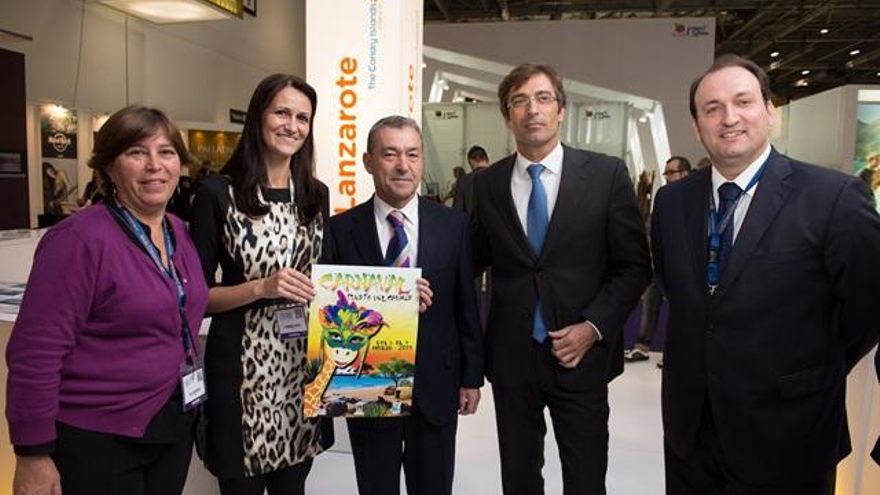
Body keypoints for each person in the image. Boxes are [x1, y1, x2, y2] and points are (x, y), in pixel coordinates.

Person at [651, 54, 880, 495]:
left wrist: (807, 366)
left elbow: (868, 308)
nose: (729, 118)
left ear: (770, 111)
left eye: (743, 101)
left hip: (789, 432)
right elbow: (679, 294)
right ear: (697, 125)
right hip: (691, 433)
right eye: (712, 108)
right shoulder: (672, 203)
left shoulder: (833, 198)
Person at [6, 105, 209, 495]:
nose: (154, 165)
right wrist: (32, 453)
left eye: (166, 152)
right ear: (109, 166)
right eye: (137, 152)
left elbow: (180, 305)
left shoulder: (178, 232)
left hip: (169, 422)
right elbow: (35, 352)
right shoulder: (78, 239)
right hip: (99, 437)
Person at [470, 63, 651, 494]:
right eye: (519, 101)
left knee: (585, 478)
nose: (532, 109)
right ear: (508, 116)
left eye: (543, 98)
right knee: (518, 479)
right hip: (512, 359)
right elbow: (470, 259)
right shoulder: (488, 183)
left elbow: (635, 266)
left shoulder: (606, 175)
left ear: (561, 110)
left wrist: (593, 327)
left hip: (581, 357)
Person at [322, 115, 484, 495]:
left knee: (434, 485)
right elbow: (331, 312)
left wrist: (471, 377)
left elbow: (466, 305)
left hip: (436, 382)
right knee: (375, 485)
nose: (402, 165)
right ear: (368, 162)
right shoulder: (340, 229)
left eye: (412, 154)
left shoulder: (453, 225)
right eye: (390, 154)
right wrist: (390, 301)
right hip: (368, 384)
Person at [189, 74, 332, 495]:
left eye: (302, 118)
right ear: (258, 117)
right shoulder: (217, 194)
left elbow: (330, 279)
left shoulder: (315, 195)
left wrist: (397, 295)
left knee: (294, 487)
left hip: (301, 369)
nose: (292, 126)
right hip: (240, 373)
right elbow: (197, 298)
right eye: (282, 113)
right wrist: (261, 287)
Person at [625, 155, 691, 365]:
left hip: (680, 267)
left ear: (685, 173)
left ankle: (674, 353)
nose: (668, 177)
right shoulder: (664, 197)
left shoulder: (695, 199)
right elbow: (652, 228)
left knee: (679, 311)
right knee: (649, 305)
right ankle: (641, 347)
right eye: (666, 173)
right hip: (656, 264)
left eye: (672, 172)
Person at [453, 145, 490, 213]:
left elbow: (457, 212)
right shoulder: (501, 178)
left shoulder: (463, 182)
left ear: (471, 161)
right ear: (487, 159)